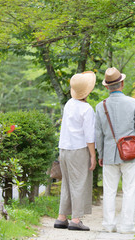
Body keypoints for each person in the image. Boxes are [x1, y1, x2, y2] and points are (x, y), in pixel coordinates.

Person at [95, 67, 135, 233]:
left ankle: (108, 224)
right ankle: (126, 226)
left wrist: (101, 154)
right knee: (130, 189)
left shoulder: (100, 106)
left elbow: (98, 133)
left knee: (109, 190)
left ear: (106, 87)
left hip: (110, 154)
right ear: (122, 83)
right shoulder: (134, 103)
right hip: (131, 152)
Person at [54, 71, 97, 231]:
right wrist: (93, 155)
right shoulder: (86, 109)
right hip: (79, 150)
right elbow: (89, 136)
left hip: (64, 149)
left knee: (67, 182)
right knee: (79, 183)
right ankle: (76, 220)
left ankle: (61, 217)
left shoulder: (69, 104)